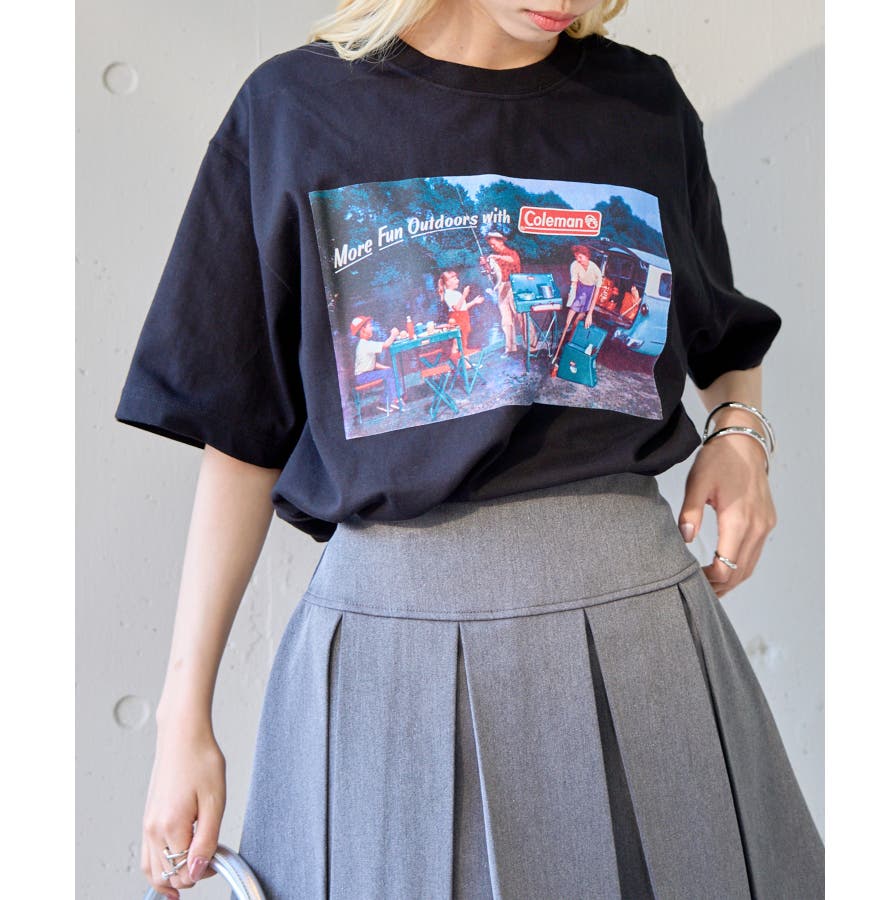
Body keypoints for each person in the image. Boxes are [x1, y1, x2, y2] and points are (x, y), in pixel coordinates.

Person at [116, 2, 825, 898]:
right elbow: (241, 431)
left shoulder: (642, 102)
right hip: (389, 662)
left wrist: (740, 434)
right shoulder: (293, 108)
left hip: (641, 641)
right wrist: (183, 720)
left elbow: (722, 333)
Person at [480, 230, 531, 356]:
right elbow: (492, 273)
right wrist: (485, 266)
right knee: (506, 320)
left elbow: (513, 261)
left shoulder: (512, 253)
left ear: (501, 241)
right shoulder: (494, 257)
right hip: (501, 286)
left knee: (521, 317)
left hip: (515, 286)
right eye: (491, 245)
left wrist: (497, 257)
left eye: (494, 244)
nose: (492, 247)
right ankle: (510, 348)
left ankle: (531, 346)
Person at [552, 243, 603, 367]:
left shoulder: (596, 270)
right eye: (576, 257)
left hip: (590, 292)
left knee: (576, 324)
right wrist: (571, 301)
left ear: (587, 256)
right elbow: (574, 284)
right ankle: (557, 355)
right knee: (567, 323)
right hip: (579, 290)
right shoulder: (574, 265)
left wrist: (590, 314)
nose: (578, 260)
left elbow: (596, 294)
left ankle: (568, 351)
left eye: (580, 257)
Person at [350, 314, 402, 412]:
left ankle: (384, 402)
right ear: (363, 330)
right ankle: (394, 400)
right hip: (363, 377)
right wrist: (393, 335)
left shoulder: (363, 344)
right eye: (370, 326)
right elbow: (386, 345)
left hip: (364, 376)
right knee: (389, 373)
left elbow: (371, 364)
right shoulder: (365, 344)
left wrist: (385, 368)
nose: (372, 328)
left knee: (389, 372)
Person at [437, 269, 485, 354]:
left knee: (464, 337)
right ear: (448, 282)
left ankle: (463, 355)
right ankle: (458, 356)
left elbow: (463, 307)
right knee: (458, 340)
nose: (458, 280)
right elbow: (457, 308)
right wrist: (464, 295)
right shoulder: (448, 294)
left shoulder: (455, 293)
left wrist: (474, 302)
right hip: (457, 318)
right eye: (455, 279)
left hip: (463, 317)